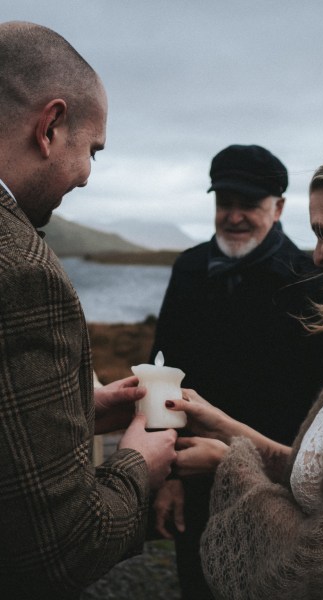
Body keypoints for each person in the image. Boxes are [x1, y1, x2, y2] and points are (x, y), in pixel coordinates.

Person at [166, 135, 323, 599]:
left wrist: (229, 460)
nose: (318, 254)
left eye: (322, 232)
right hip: (202, 480)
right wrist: (220, 430)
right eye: (224, 201)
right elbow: (318, 465)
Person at [0, 21, 177, 600]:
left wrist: (72, 405)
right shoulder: (23, 271)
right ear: (49, 126)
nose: (87, 176)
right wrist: (140, 462)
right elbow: (60, 548)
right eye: (92, 150)